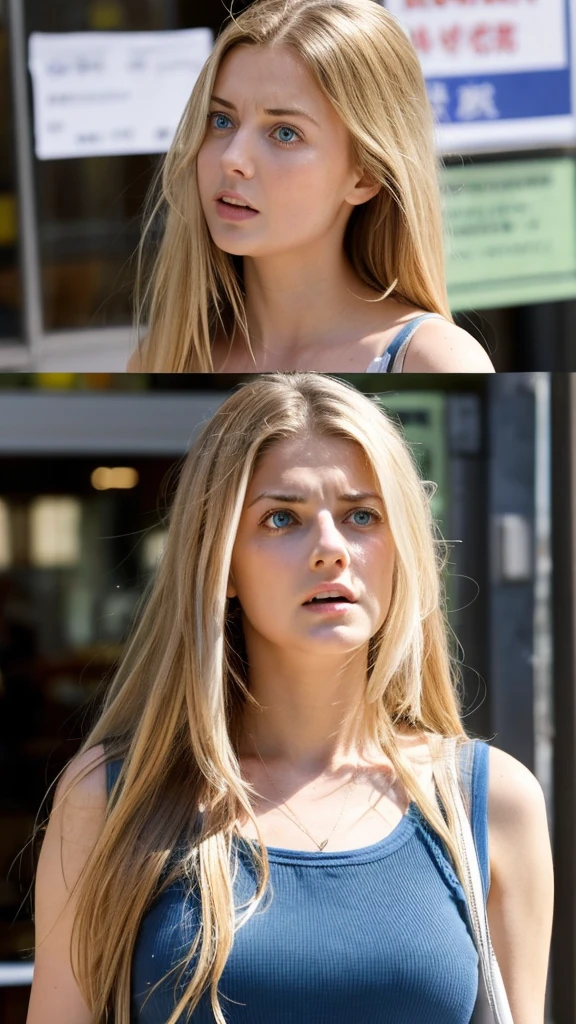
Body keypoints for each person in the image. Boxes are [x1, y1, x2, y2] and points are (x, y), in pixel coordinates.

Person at [27, 373, 551, 1024]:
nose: (332, 548)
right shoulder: (113, 799)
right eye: (283, 518)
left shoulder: (488, 804)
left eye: (363, 515)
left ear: (402, 551)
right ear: (220, 564)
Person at [128, 0, 495, 373]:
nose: (232, 158)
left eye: (285, 133)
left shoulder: (431, 359)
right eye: (222, 120)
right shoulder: (164, 357)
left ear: (366, 175)